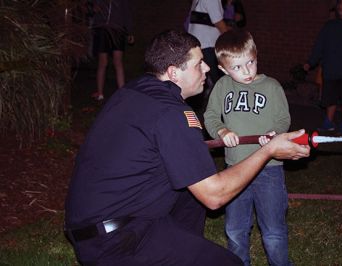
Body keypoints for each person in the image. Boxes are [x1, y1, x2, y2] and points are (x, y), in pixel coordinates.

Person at [64, 29, 310, 265]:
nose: (206, 68)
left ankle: (184, 248)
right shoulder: (172, 114)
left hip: (92, 223)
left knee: (189, 193)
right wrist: (268, 150)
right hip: (117, 240)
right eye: (199, 63)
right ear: (173, 73)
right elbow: (215, 196)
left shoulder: (132, 91)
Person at [204, 29, 292, 266]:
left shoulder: (272, 86)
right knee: (235, 229)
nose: (247, 71)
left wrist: (275, 135)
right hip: (235, 168)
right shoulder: (222, 87)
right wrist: (221, 131)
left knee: (273, 231)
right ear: (223, 69)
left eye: (250, 62)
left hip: (269, 168)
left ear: (256, 56)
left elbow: (283, 119)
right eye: (238, 67)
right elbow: (211, 116)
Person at [303, 0, 342, 135]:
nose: (340, 6)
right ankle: (328, 122)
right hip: (331, 69)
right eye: (340, 3)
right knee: (330, 97)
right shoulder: (329, 26)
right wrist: (311, 61)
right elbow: (319, 45)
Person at [187, 0, 231, 113]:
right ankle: (221, 112)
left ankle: (204, 110)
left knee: (202, 80)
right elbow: (217, 21)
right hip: (208, 45)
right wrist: (231, 40)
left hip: (198, 44)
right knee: (219, 82)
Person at [90, 0, 135, 101]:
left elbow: (126, 13)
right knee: (103, 62)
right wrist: (94, 9)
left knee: (117, 62)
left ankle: (122, 93)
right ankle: (100, 93)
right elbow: (91, 9)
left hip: (117, 30)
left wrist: (130, 32)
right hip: (102, 29)